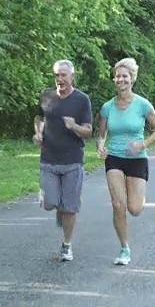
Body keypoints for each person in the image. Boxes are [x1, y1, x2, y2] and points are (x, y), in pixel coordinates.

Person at [96, 57, 155, 265]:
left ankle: (140, 198)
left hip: (137, 159)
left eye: (124, 76)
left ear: (132, 79)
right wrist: (100, 145)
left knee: (134, 209)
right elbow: (101, 134)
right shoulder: (107, 107)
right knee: (118, 205)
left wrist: (142, 144)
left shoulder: (142, 104)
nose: (120, 79)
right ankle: (124, 248)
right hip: (115, 158)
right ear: (114, 80)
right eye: (117, 76)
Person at [33, 59, 93, 262]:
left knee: (70, 207)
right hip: (48, 159)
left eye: (63, 75)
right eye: (57, 75)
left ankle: (66, 246)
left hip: (73, 161)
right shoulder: (46, 96)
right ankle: (60, 207)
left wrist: (75, 126)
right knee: (50, 203)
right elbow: (39, 118)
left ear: (72, 76)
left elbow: (88, 132)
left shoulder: (82, 100)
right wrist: (37, 133)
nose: (60, 79)